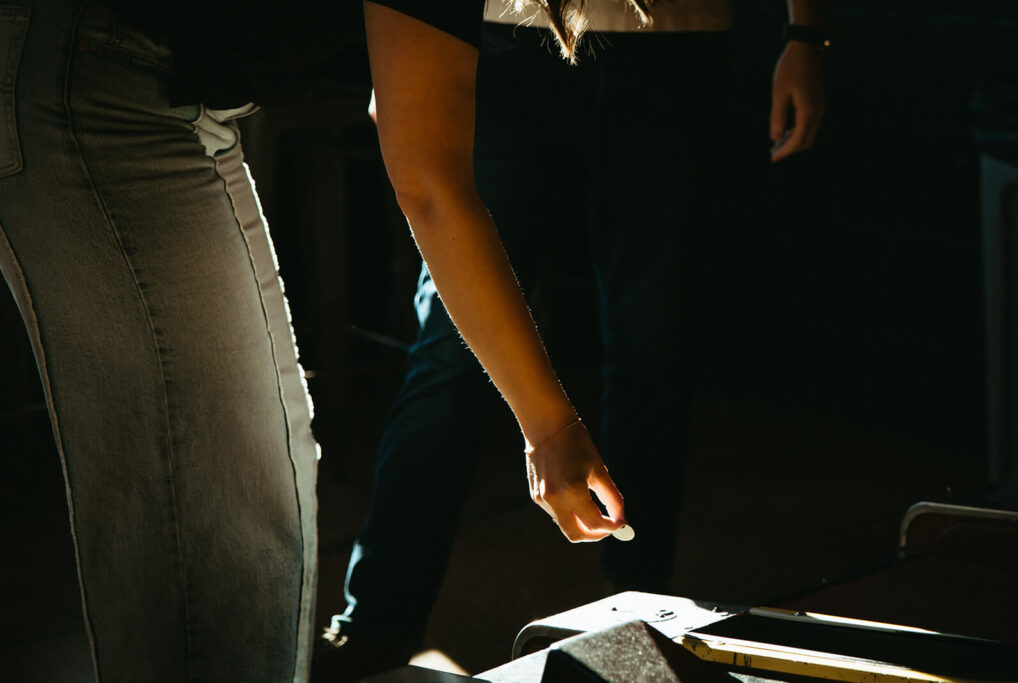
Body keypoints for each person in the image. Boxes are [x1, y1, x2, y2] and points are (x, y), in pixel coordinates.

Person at [0, 0, 626, 680]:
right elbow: (430, 183)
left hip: (162, 90)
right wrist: (550, 425)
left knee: (251, 506)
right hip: (100, 71)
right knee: (222, 548)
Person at [326, 0, 827, 677]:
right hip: (506, 36)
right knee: (451, 347)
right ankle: (376, 625)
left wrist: (804, 30)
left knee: (654, 341)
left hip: (677, 42)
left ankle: (641, 615)